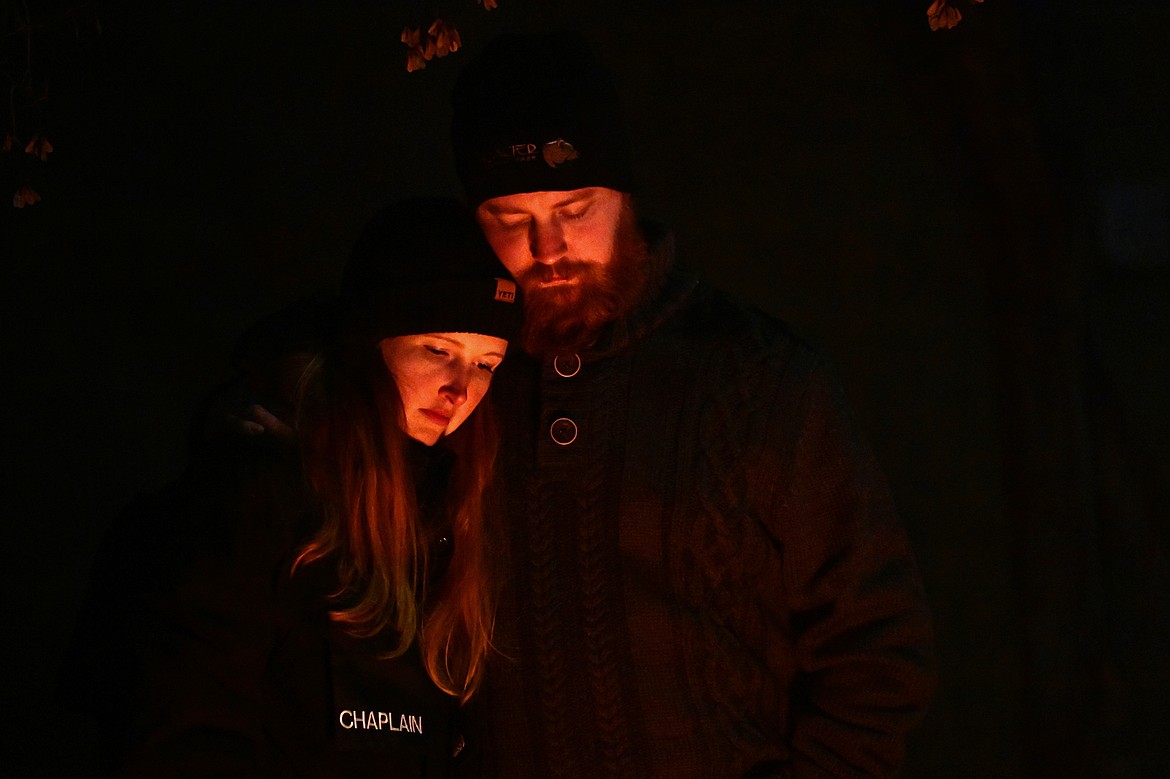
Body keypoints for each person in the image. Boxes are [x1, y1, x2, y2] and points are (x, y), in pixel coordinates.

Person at [448, 32, 936, 777]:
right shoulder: (452, 391)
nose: (548, 247)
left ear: (626, 201)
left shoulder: (762, 380)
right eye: (511, 220)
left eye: (576, 207)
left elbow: (874, 643)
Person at [61, 197, 522, 777]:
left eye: (487, 364)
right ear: (366, 347)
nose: (461, 389)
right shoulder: (259, 499)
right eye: (437, 350)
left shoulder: (444, 519)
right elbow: (183, 734)